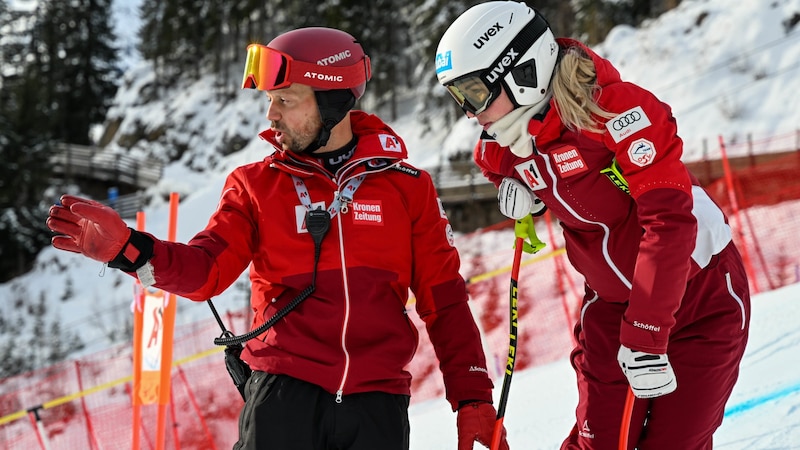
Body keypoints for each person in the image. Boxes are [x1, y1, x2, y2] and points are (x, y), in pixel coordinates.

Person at [47, 27, 509, 450]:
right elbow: (204, 271)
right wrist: (129, 249)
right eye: (271, 100)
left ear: (332, 100)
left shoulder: (408, 188)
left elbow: (444, 302)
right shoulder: (255, 186)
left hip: (378, 407)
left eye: (286, 99)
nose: (271, 114)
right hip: (282, 399)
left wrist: (473, 400)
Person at [435, 2, 751, 449]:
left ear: (521, 70)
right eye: (459, 97)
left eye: (475, 91)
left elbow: (670, 221)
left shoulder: (617, 113)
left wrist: (647, 330)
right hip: (608, 307)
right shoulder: (507, 141)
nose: (471, 111)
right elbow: (493, 162)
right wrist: (516, 187)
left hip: (701, 299)